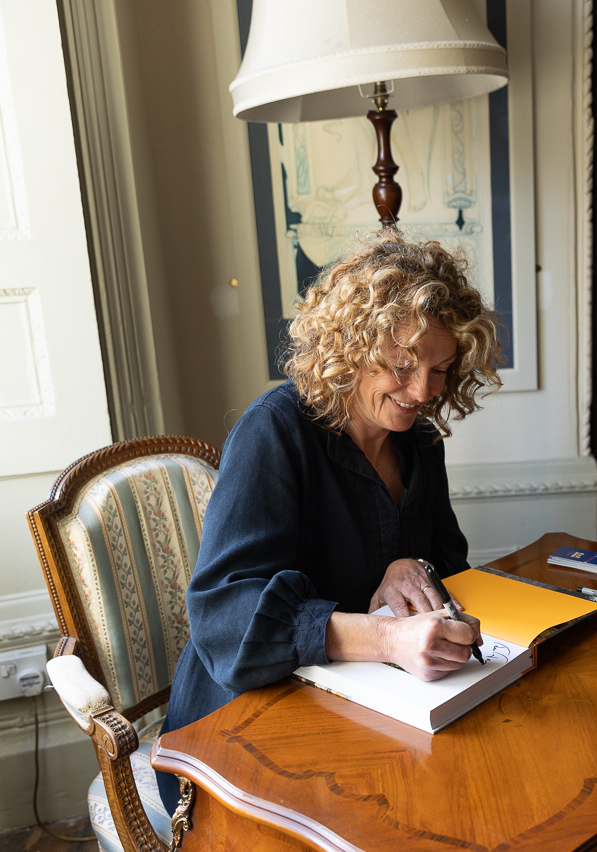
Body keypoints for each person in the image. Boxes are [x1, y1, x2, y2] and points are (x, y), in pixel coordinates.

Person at [156, 231, 502, 812]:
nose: (422, 391)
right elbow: (224, 617)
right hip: (244, 727)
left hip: (368, 706)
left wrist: (410, 568)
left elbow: (448, 564)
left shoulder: (417, 442)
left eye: (440, 370)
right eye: (401, 364)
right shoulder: (275, 432)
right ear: (349, 347)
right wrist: (388, 638)